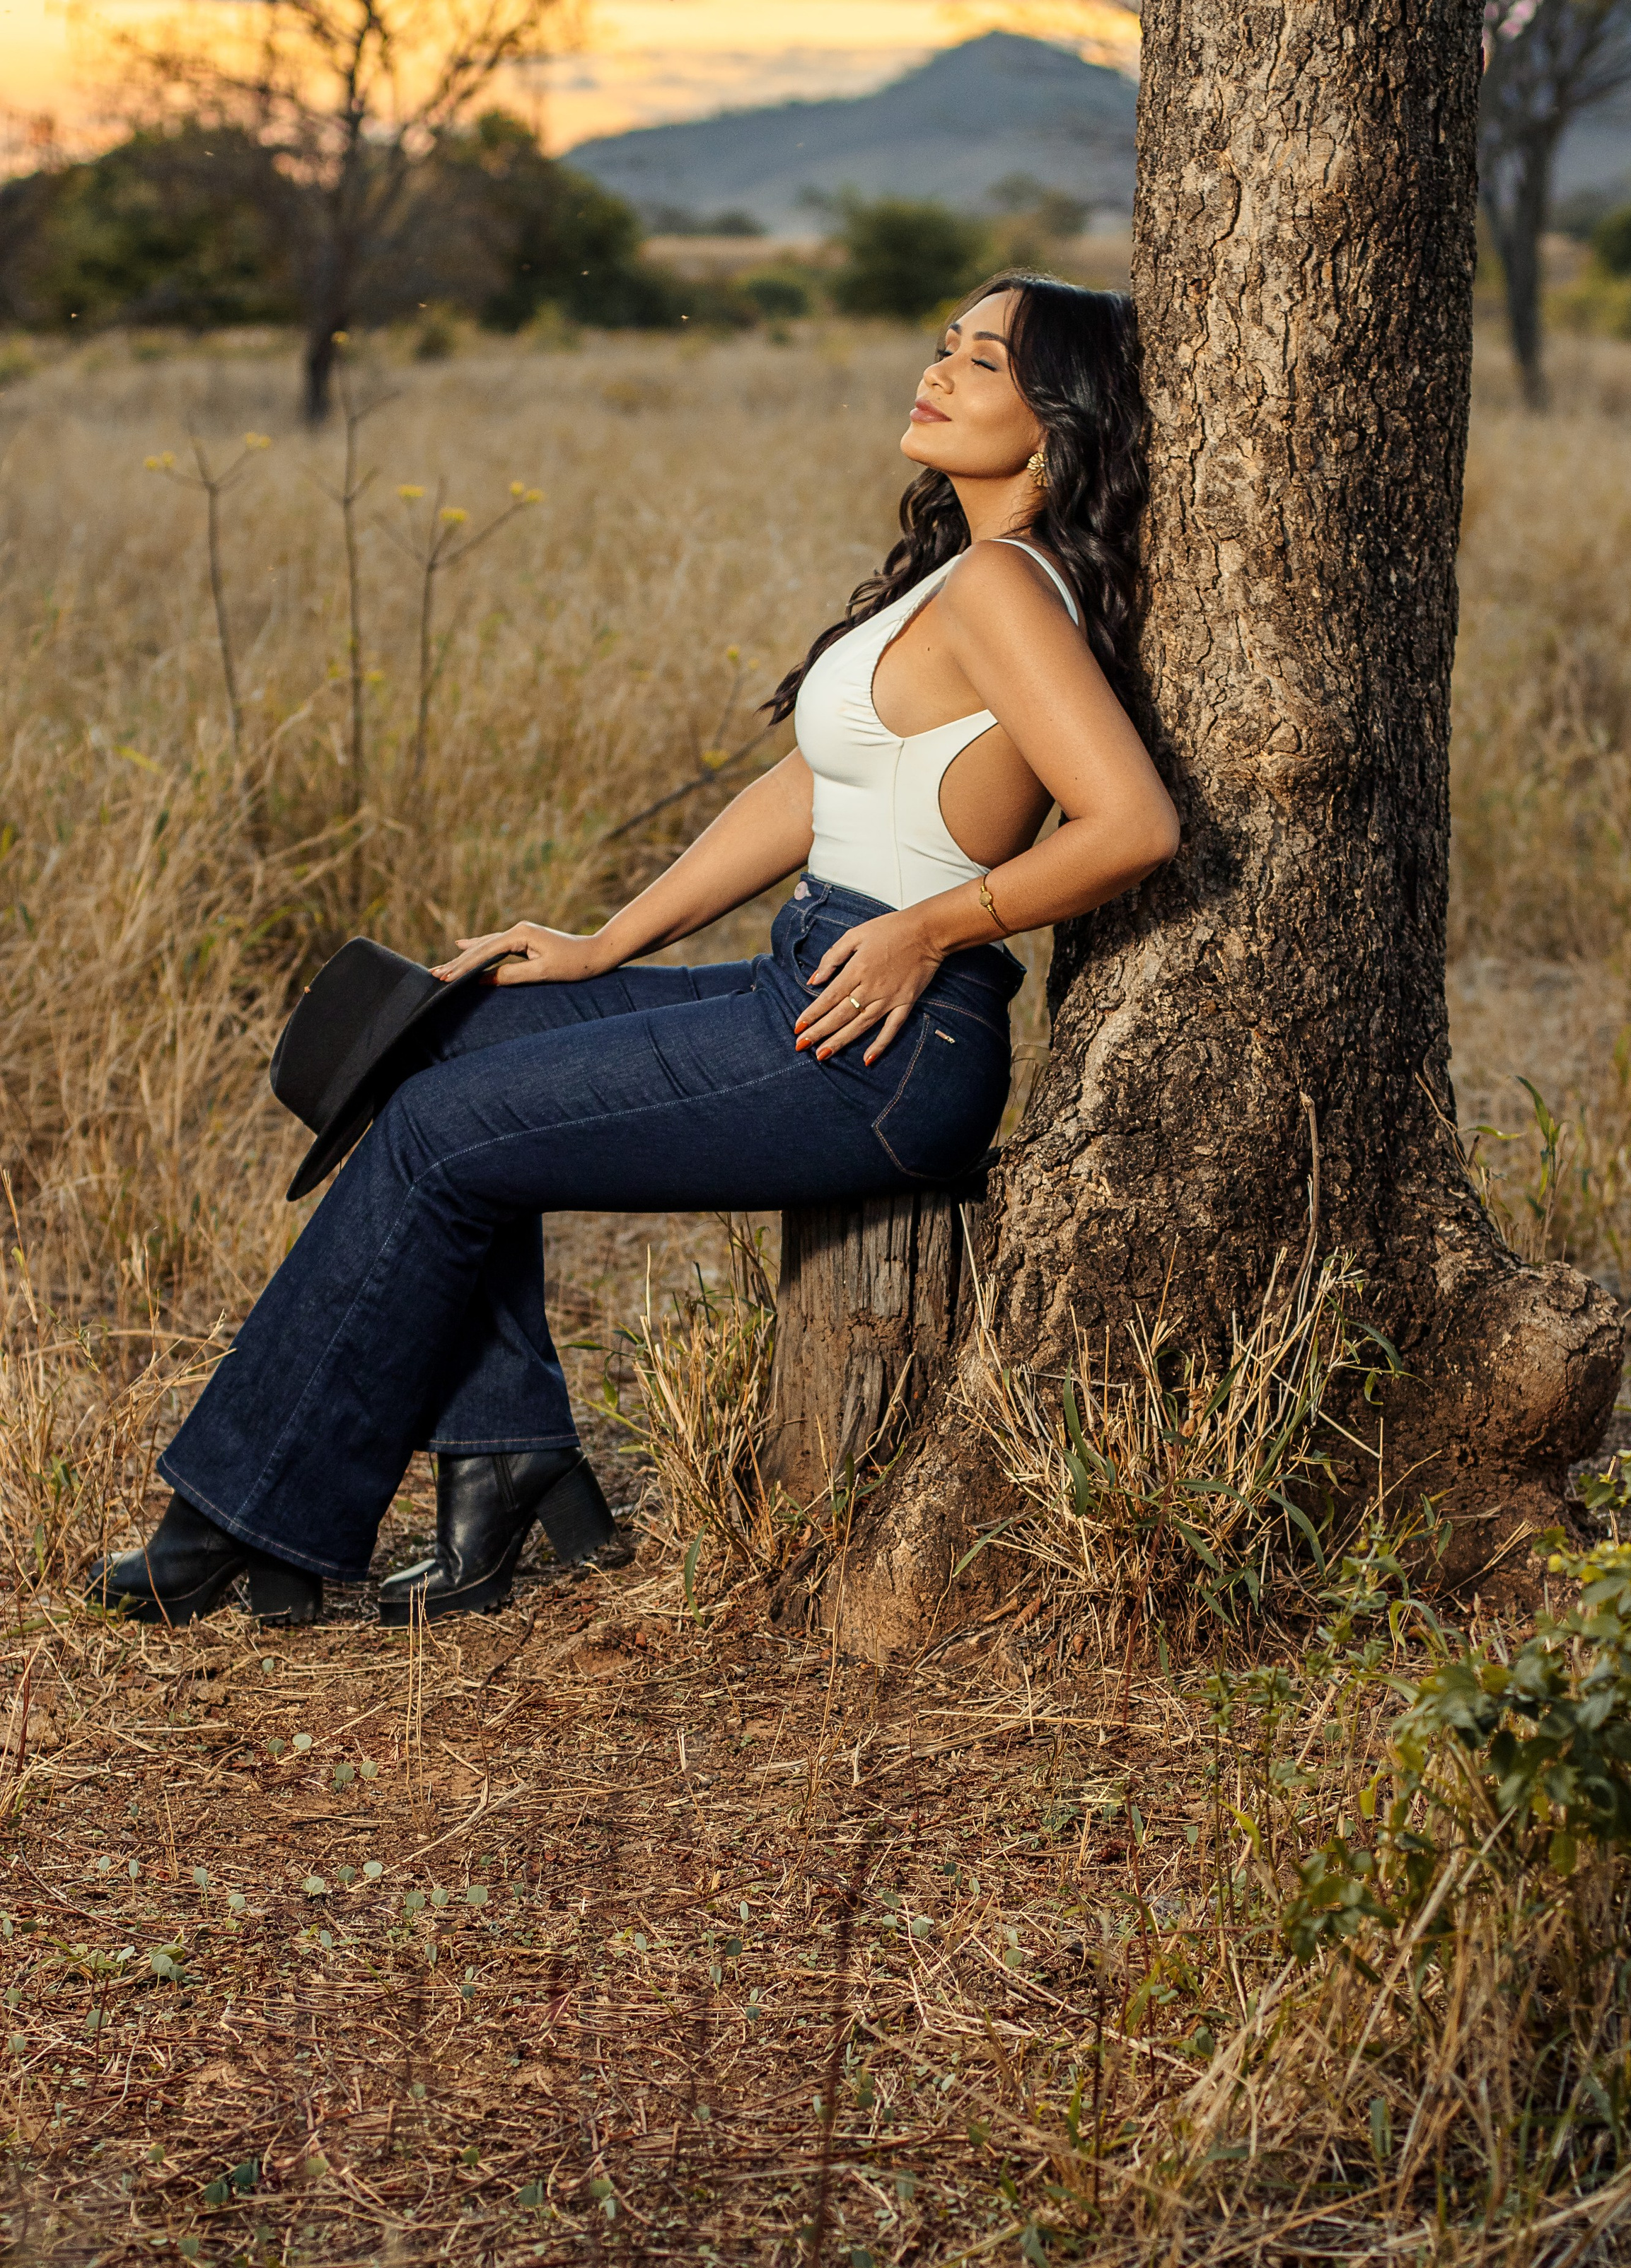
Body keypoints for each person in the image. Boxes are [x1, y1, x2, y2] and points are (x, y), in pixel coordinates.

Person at [88, 269, 1180, 1631]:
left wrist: (932, 929)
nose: (941, 369)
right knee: (459, 1026)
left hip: (889, 1043)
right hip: (829, 980)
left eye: (986, 362)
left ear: (1057, 418)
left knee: (439, 1129)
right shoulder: (962, 578)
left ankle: (239, 1519)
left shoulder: (1008, 591)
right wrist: (605, 940)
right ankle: (507, 1457)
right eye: (943, 342)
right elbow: (809, 792)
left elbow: (1132, 822)